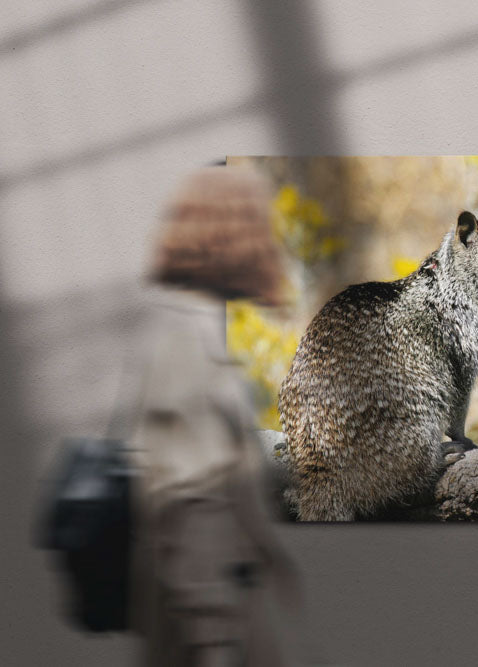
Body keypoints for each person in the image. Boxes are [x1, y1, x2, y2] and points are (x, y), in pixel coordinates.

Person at [129, 166, 298, 666]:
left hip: (220, 597)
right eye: (258, 225)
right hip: (212, 609)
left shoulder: (186, 328)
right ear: (232, 235)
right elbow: (186, 498)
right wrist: (212, 630)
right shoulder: (186, 339)